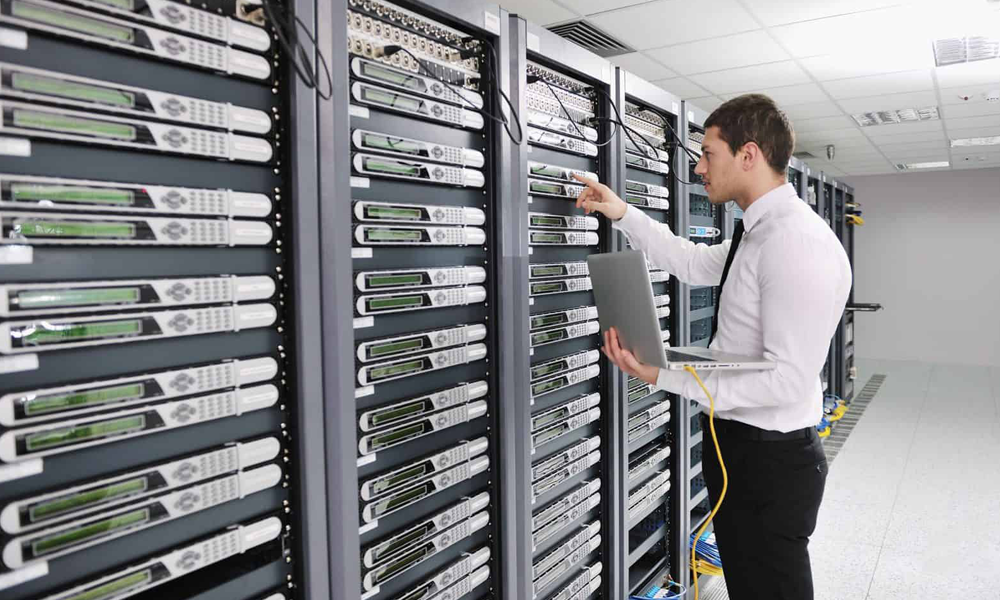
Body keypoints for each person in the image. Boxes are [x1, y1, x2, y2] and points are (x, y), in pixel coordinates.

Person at [572, 93, 852, 600]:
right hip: (741, 452)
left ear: (748, 155)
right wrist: (622, 213)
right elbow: (693, 262)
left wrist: (663, 375)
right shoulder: (759, 232)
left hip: (772, 464)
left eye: (708, 153)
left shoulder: (796, 243)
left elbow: (787, 379)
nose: (698, 167)